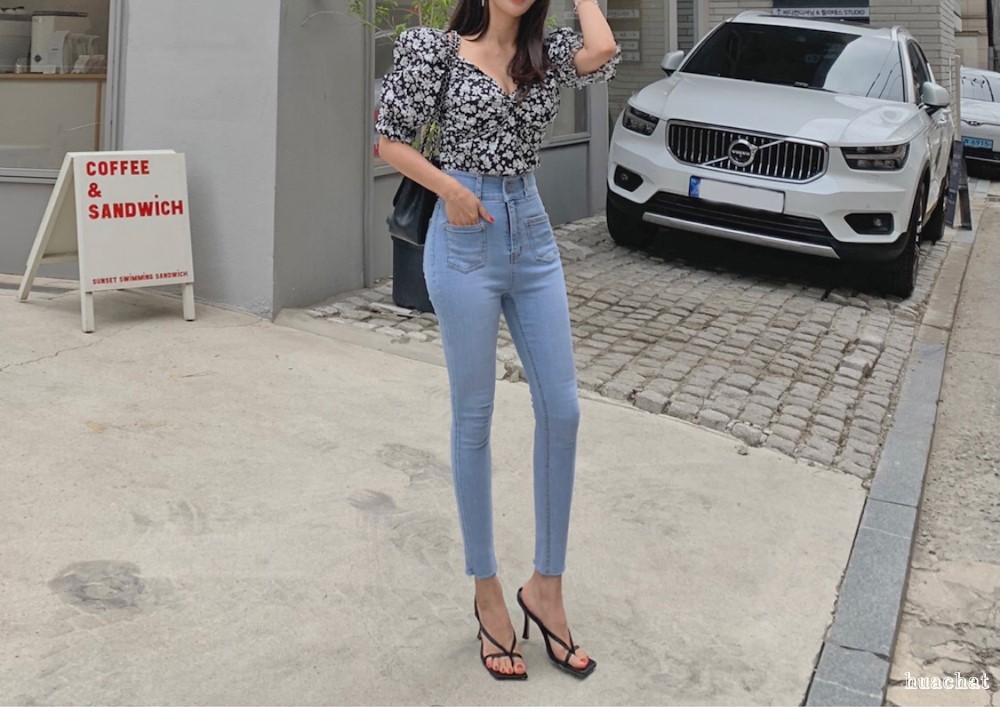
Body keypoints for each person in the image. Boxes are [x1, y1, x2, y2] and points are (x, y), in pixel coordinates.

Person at [375, 0, 619, 682]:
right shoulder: (434, 51)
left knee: (563, 410)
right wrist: (449, 189)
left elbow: (602, 50)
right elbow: (389, 141)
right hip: (464, 238)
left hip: (532, 232)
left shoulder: (547, 53)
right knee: (474, 417)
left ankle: (546, 587)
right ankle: (486, 590)